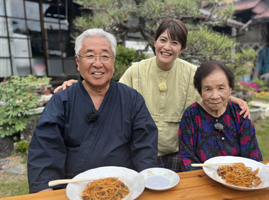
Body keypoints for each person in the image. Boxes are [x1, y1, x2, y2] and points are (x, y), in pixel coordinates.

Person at [53, 19, 250, 172]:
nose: (167, 47)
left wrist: (231, 98)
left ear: (182, 48)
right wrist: (81, 84)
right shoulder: (136, 70)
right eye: (162, 40)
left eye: (175, 42)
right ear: (154, 42)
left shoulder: (193, 73)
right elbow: (109, 95)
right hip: (138, 153)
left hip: (177, 152)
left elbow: (210, 93)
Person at [27, 28, 158, 193]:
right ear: (77, 61)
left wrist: (143, 184)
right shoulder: (62, 101)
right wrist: (45, 192)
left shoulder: (132, 99)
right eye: (89, 56)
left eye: (105, 56)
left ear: (113, 60)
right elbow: (44, 152)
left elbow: (145, 147)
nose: (98, 63)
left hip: (124, 189)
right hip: (74, 192)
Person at [178, 60, 262, 172]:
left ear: (230, 89)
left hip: (237, 180)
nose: (215, 96)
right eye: (208, 89)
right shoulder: (191, 115)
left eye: (221, 88)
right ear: (200, 92)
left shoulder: (239, 113)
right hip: (203, 180)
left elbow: (253, 155)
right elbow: (186, 159)